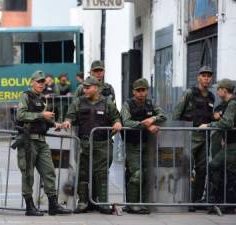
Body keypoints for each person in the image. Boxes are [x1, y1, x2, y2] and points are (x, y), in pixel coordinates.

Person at [62, 76, 122, 214]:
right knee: (83, 172)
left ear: (96, 88)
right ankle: (83, 202)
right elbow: (70, 115)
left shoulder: (107, 103)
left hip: (103, 144)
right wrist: (68, 121)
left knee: (101, 173)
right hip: (84, 143)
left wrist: (117, 123)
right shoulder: (78, 102)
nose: (85, 90)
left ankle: (102, 202)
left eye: (88, 87)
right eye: (84, 87)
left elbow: (116, 117)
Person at [15, 70, 71, 216]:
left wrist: (56, 124)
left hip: (41, 140)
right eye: (38, 82)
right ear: (32, 82)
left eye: (43, 82)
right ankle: (29, 207)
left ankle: (53, 205)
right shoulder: (25, 96)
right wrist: (42, 114)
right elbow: (20, 114)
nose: (41, 84)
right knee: (28, 174)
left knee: (49, 172)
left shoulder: (42, 99)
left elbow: (43, 120)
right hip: (28, 141)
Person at [120, 78, 167, 214]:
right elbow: (127, 122)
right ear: (134, 91)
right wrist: (145, 126)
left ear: (147, 91)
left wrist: (153, 119)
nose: (141, 93)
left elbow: (163, 115)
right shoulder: (127, 104)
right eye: (138, 91)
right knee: (136, 174)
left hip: (147, 144)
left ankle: (142, 203)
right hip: (132, 144)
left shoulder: (150, 104)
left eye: (143, 90)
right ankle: (132, 205)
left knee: (146, 174)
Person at [173, 65, 215, 212]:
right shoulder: (190, 93)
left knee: (202, 169)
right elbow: (177, 113)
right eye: (204, 75)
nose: (206, 78)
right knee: (187, 168)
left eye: (209, 76)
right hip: (189, 135)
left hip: (205, 137)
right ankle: (185, 200)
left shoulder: (211, 96)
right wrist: (178, 134)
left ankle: (196, 200)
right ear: (198, 77)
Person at [199, 79, 236, 214]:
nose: (217, 90)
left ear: (224, 90)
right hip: (230, 143)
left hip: (233, 145)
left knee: (215, 165)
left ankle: (217, 201)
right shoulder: (227, 104)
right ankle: (227, 204)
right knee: (230, 171)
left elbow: (226, 123)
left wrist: (208, 125)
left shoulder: (232, 104)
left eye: (219, 88)